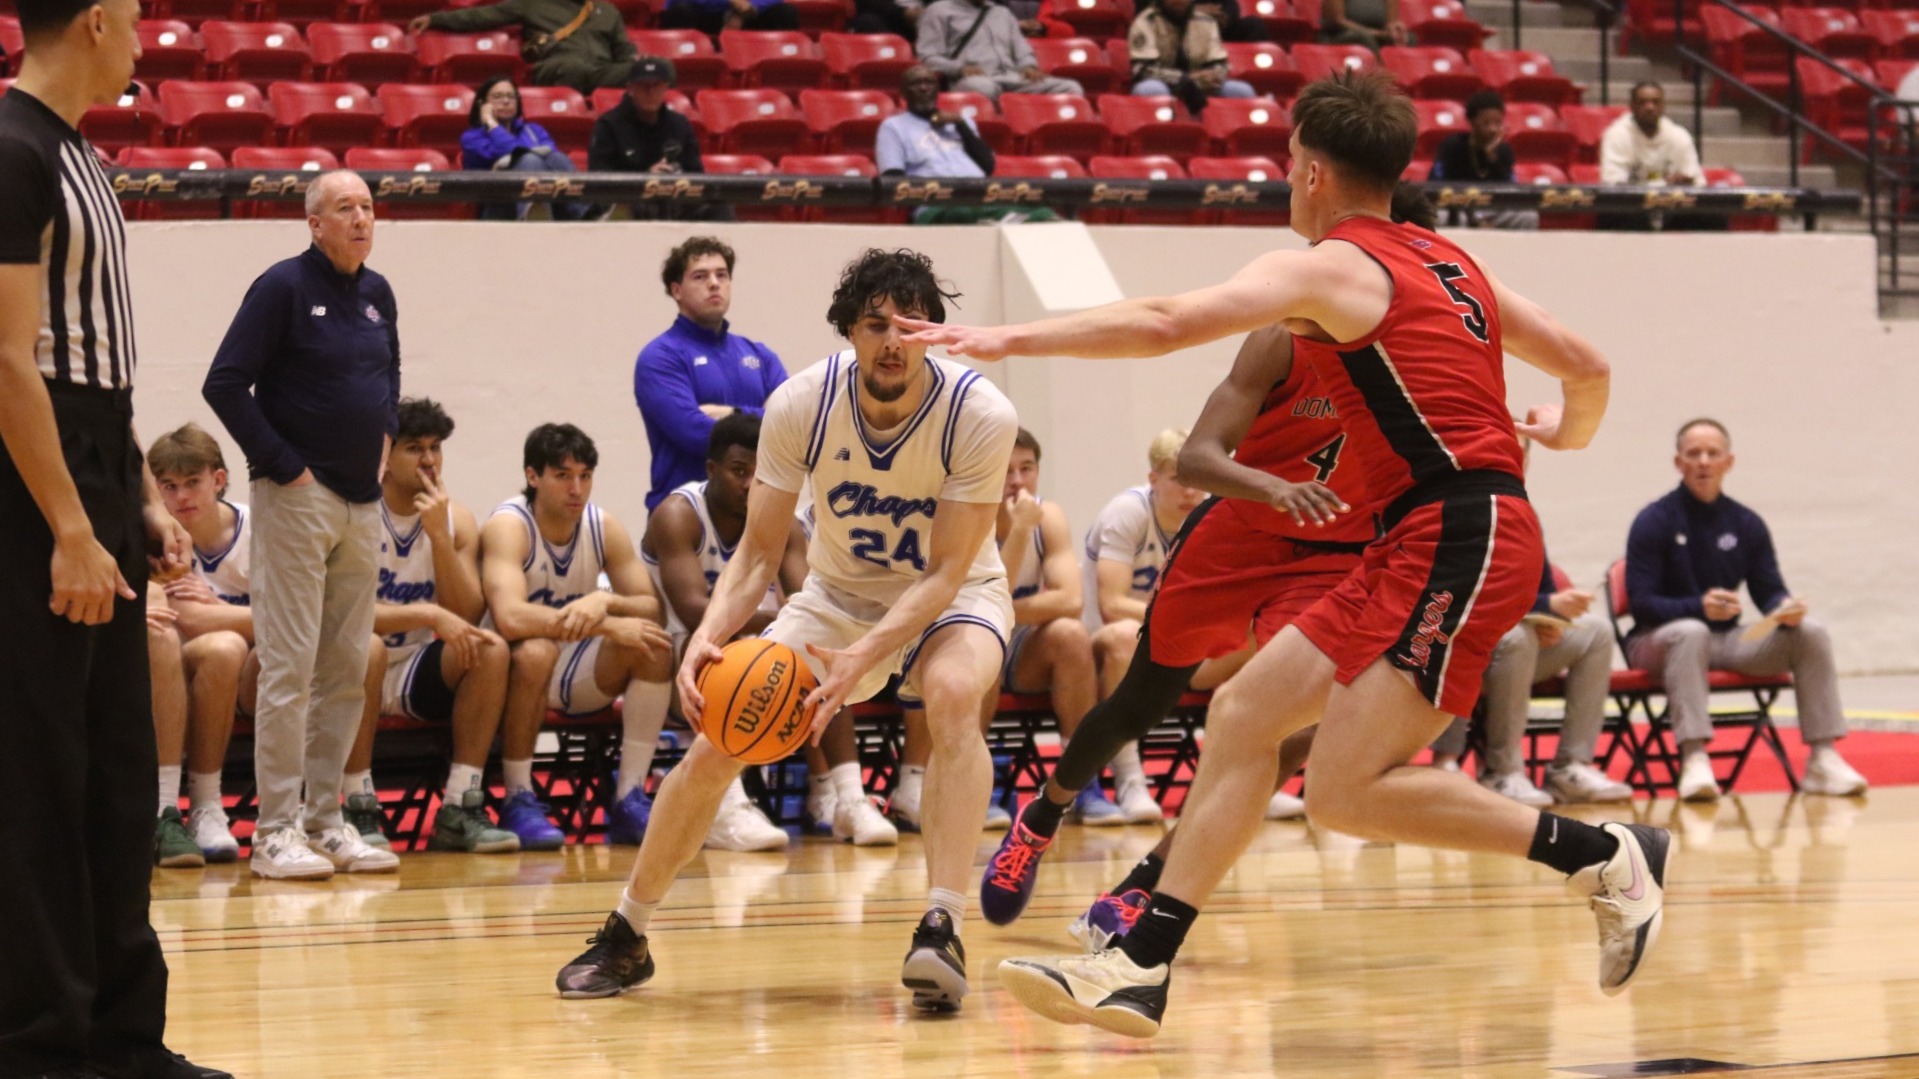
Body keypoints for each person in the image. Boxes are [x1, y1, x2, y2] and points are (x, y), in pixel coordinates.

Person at [906, 71, 1663, 1038]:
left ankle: (1605, 853)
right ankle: (1137, 965)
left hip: (1458, 534)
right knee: (1242, 712)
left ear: (1307, 170)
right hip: (1422, 536)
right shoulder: (1455, 263)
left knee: (1343, 793)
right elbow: (1588, 367)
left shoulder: (1333, 266)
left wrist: (1003, 336)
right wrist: (1566, 431)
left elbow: (1164, 322)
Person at [554, 248, 1019, 1014]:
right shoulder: (801, 402)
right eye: (877, 325)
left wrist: (866, 656)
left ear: (934, 333)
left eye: (911, 325)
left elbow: (943, 574)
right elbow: (759, 551)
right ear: (850, 332)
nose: (893, 342)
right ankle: (627, 932)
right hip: (836, 592)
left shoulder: (979, 413)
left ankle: (941, 923)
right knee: (717, 740)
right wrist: (708, 633)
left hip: (953, 593)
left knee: (952, 691)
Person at [0, 0, 220, 1070]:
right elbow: (7, 363)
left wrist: (131, 497)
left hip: (91, 456)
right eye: (134, 18)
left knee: (120, 772)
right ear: (93, 21)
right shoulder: (10, 148)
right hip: (32, 485)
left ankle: (121, 1035)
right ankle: (41, 1042)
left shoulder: (80, 153)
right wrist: (68, 528)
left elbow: (96, 374)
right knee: (41, 774)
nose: (145, 38)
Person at [202, 170, 402, 882]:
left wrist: (386, 441)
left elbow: (390, 380)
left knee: (347, 667)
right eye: (344, 208)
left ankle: (327, 820)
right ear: (313, 222)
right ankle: (276, 830)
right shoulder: (283, 286)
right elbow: (224, 381)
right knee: (288, 667)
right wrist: (284, 465)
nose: (360, 218)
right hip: (296, 499)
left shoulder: (378, 294)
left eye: (368, 208)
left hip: (359, 501)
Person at [641, 413, 898, 845]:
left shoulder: (784, 522)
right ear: (711, 470)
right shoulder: (678, 515)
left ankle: (848, 799)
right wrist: (772, 622)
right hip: (677, 665)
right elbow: (694, 613)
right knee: (722, 650)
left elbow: (808, 603)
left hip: (755, 652)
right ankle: (726, 806)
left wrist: (780, 629)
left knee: (822, 652)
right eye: (740, 472)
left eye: (761, 474)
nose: (750, 484)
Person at [477, 424, 697, 851]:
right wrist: (604, 622)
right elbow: (509, 618)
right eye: (562, 475)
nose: (576, 488)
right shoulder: (508, 525)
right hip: (510, 674)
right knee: (537, 651)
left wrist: (603, 600)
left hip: (576, 668)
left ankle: (630, 796)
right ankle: (519, 795)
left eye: (585, 475)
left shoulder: (602, 525)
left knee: (651, 643)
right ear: (533, 476)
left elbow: (651, 607)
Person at [1623, 418, 1867, 801]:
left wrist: (1784, 608)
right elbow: (1641, 603)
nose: (1703, 461)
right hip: (1656, 641)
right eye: (1694, 454)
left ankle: (1823, 757)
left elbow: (1768, 590)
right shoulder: (1654, 520)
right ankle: (1695, 759)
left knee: (1811, 632)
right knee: (1691, 630)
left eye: (1712, 453)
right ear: (1678, 463)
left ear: (1728, 462)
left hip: (1725, 640)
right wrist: (1697, 606)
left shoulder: (1746, 523)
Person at [351, 397, 521, 854]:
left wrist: (440, 539)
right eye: (413, 448)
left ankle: (459, 805)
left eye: (434, 447)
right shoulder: (353, 514)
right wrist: (425, 614)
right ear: (383, 457)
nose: (428, 459)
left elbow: (464, 614)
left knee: (490, 649)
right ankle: (355, 803)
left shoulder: (456, 519)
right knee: (366, 646)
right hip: (349, 665)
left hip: (413, 669)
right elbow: (344, 617)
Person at [1078, 428, 1217, 825]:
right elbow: (1112, 606)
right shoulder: (1129, 512)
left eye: (1197, 479)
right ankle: (1129, 777)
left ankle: (1242, 775)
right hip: (1100, 643)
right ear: (1154, 479)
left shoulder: (1210, 519)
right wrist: (1182, 619)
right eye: (1179, 478)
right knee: (1125, 636)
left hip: (1176, 641)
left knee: (1256, 639)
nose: (1190, 490)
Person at [1428, 553, 1634, 807]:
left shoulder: (1523, 522)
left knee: (1597, 632)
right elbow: (1461, 598)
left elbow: (1545, 589)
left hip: (1520, 648)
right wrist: (1543, 607)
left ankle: (1570, 767)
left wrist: (1553, 623)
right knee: (1518, 636)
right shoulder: (1459, 523)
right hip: (1470, 653)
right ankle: (1502, 772)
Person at [143, 426, 245, 869]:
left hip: (244, 674)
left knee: (227, 647)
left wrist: (222, 610)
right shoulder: (151, 536)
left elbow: (302, 622)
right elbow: (190, 619)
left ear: (218, 480)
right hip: (160, 668)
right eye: (169, 486)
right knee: (202, 641)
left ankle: (207, 807)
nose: (181, 496)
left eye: (193, 482)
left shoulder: (262, 529)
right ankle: (166, 809)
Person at [635, 236, 787, 513]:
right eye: (700, 276)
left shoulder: (761, 355)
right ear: (677, 290)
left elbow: (793, 425)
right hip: (685, 518)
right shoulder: (660, 357)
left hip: (755, 515)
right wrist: (764, 419)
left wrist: (731, 413)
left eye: (722, 274)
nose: (714, 283)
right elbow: (695, 434)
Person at [877, 65, 1063, 224]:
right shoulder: (893, 127)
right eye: (916, 83)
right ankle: (1010, 220)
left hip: (980, 195)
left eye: (929, 82)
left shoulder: (960, 122)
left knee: (1036, 203)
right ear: (903, 92)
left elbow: (987, 166)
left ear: (937, 89)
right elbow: (893, 180)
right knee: (964, 212)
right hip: (937, 204)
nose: (924, 88)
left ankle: (1008, 220)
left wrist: (961, 126)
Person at [588, 58, 730, 222]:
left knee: (719, 203)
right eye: (643, 86)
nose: (650, 92)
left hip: (675, 198)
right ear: (631, 88)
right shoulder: (608, 125)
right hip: (628, 201)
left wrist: (677, 177)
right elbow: (599, 179)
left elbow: (696, 174)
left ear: (665, 88)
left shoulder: (679, 124)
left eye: (656, 86)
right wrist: (646, 178)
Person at [408, 0, 638, 95]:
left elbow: (623, 50)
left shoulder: (606, 10)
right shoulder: (534, 3)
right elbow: (484, 15)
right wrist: (437, 20)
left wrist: (636, 64)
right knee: (573, 67)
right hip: (556, 66)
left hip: (601, 70)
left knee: (653, 69)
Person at [462, 77, 593, 222]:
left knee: (557, 158)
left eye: (511, 96)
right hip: (500, 204)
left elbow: (550, 156)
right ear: (483, 103)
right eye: (497, 97)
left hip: (552, 201)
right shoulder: (472, 138)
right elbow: (511, 151)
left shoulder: (535, 130)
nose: (506, 101)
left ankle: (586, 215)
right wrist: (491, 123)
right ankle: (533, 212)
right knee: (529, 159)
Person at [1598, 81, 1723, 232]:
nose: (1650, 107)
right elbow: (1613, 187)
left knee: (1713, 213)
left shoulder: (1679, 136)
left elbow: (1698, 184)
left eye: (1655, 102)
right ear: (1632, 106)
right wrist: (1662, 184)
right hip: (1633, 207)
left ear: (1663, 106)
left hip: (1673, 207)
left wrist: (1686, 182)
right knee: (1615, 213)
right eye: (1643, 102)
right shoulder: (1616, 135)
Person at [916, 0, 1082, 102]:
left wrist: (1029, 67)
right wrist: (959, 68)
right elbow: (928, 56)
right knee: (983, 88)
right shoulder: (938, 11)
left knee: (1070, 87)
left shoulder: (1002, 13)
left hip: (1013, 77)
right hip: (972, 80)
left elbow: (1022, 50)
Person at [1428, 90, 1537, 230]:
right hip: (1459, 206)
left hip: (1493, 207)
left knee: (1528, 216)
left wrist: (1492, 157)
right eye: (1486, 123)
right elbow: (1436, 184)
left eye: (1497, 123)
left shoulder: (1504, 151)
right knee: (1440, 216)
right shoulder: (1452, 146)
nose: (1492, 129)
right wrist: (1472, 218)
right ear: (1472, 122)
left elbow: (1511, 189)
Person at [1128, 0, 1255, 108]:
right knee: (1151, 89)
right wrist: (1185, 79)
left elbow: (1222, 65)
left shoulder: (1207, 22)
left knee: (1242, 90)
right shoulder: (1145, 22)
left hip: (1200, 83)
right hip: (1165, 83)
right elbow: (1142, 70)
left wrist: (1212, 77)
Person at [658, 0, 800, 38]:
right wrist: (729, 2)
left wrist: (748, 9)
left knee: (786, 12)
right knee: (681, 9)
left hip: (746, 15)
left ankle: (774, 73)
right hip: (704, 15)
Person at [1318, 0, 1404, 52]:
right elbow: (1338, 20)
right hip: (1339, 34)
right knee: (1365, 37)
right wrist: (1374, 33)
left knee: (1410, 38)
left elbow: (1391, 22)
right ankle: (1378, 77)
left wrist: (1395, 31)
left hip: (1377, 35)